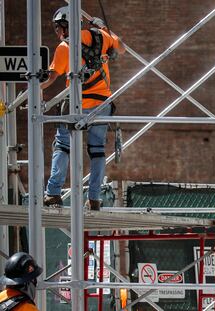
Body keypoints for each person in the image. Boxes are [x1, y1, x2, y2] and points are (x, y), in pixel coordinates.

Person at [42, 6, 125, 210]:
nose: (58, 32)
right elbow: (121, 47)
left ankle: (53, 193)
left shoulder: (65, 47)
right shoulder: (101, 36)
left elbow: (52, 77)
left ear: (64, 27)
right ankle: (94, 197)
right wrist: (104, 28)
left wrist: (33, 86)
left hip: (76, 103)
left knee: (62, 145)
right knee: (97, 150)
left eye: (58, 28)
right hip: (102, 105)